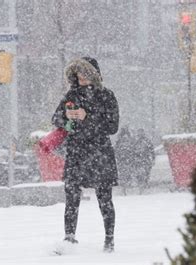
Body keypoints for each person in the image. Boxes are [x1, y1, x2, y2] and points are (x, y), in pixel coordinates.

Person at [52, 57, 120, 252]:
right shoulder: (71, 95)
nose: (81, 76)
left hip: (100, 152)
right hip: (76, 152)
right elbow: (56, 118)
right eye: (78, 72)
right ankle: (69, 237)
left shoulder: (107, 96)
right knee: (71, 196)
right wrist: (67, 118)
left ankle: (109, 239)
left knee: (104, 198)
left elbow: (112, 126)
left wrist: (87, 117)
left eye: (85, 72)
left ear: (94, 75)